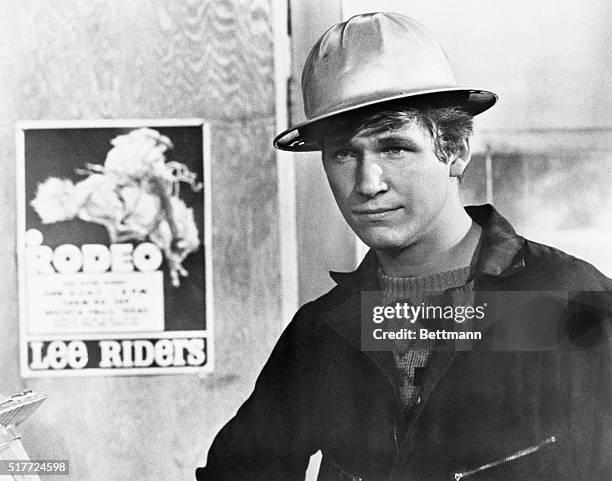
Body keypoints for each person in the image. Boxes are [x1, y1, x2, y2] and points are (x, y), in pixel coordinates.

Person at [196, 12, 612, 481]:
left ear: (454, 152)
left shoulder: (568, 303)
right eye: (344, 153)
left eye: (394, 148)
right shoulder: (327, 331)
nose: (367, 183)